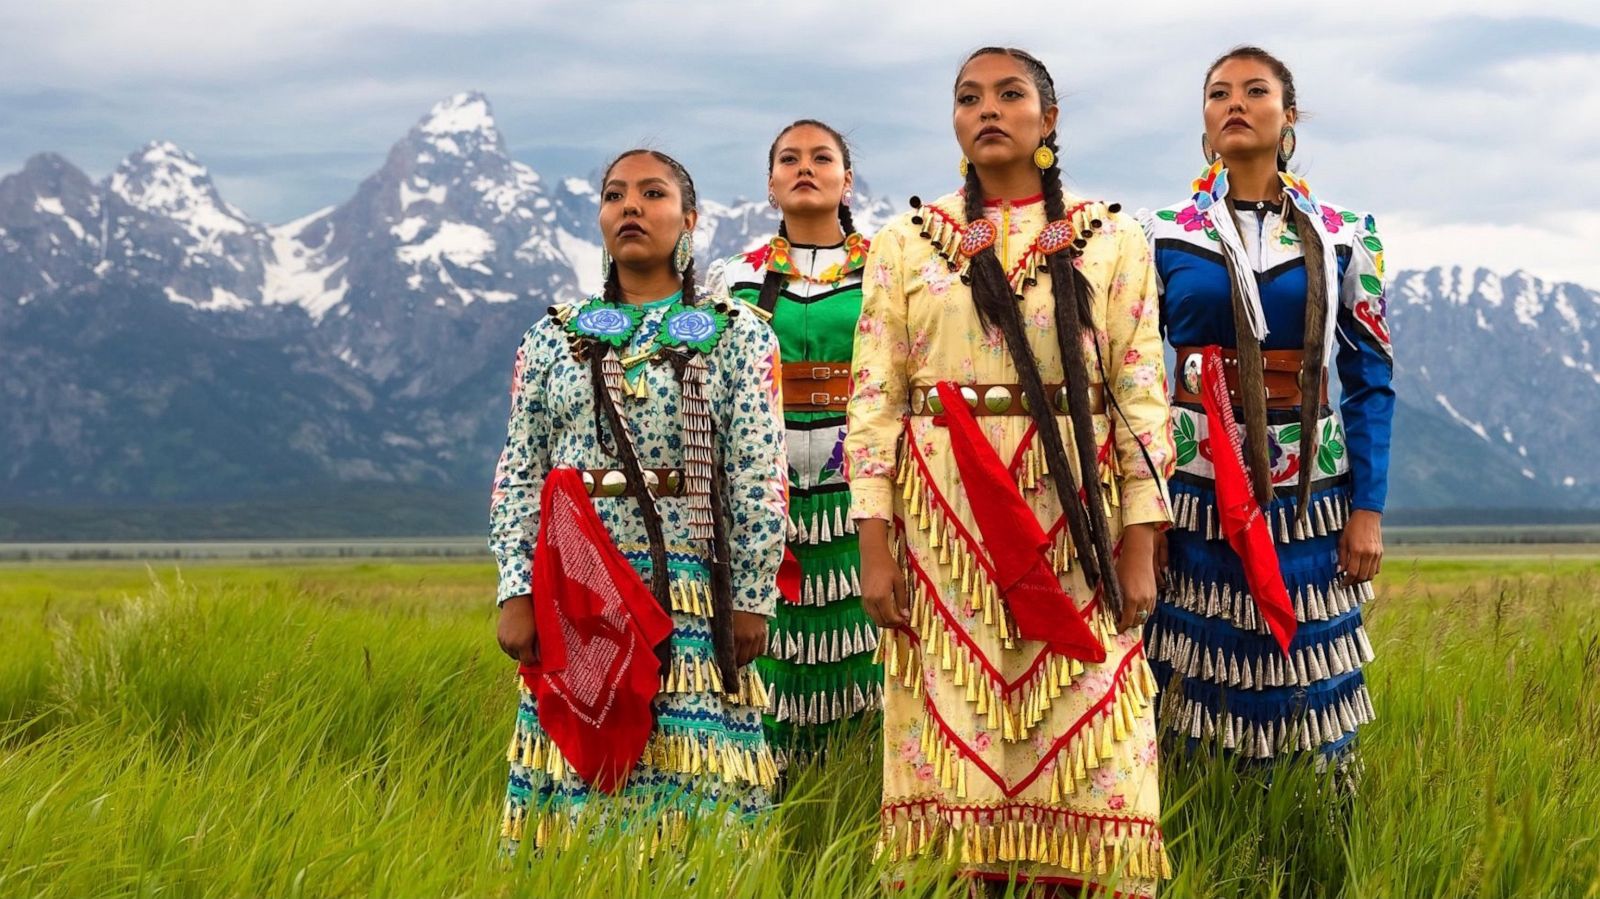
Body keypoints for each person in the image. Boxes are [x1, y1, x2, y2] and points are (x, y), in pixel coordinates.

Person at [847, 47, 1174, 894]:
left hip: (1078, 512)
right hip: (942, 521)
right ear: (954, 122)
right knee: (961, 710)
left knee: (1095, 707)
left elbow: (1141, 397)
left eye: (1009, 94)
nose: (987, 108)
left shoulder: (1106, 235)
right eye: (967, 97)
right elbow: (875, 397)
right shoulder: (907, 240)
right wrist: (874, 539)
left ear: (1049, 118)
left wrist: (1141, 536)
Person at [489, 149, 788, 847]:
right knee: (581, 774)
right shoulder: (552, 338)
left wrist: (749, 595)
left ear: (688, 219)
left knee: (690, 764)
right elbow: (520, 470)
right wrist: (514, 588)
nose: (630, 207)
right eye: (615, 195)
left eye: (652, 194)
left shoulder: (738, 333)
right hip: (575, 586)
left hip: (690, 587)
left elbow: (757, 470)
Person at [1139, 46, 1392, 768]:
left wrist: (1367, 506)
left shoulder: (1346, 235)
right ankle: (1195, 818)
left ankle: (1310, 827)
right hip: (1193, 489)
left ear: (1289, 116)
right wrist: (1145, 510)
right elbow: (1138, 384)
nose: (1235, 103)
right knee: (1192, 650)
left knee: (1309, 659)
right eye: (1219, 93)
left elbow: (1371, 377)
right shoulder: (1160, 234)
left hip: (1309, 492)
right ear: (1205, 119)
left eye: (1255, 90)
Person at [705, 119, 881, 763]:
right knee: (765, 650)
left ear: (847, 179)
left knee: (870, 639)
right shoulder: (734, 280)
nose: (805, 167)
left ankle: (862, 776)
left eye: (821, 157)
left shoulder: (889, 269)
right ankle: (764, 774)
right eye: (789, 159)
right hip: (761, 495)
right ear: (771, 184)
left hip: (862, 491)